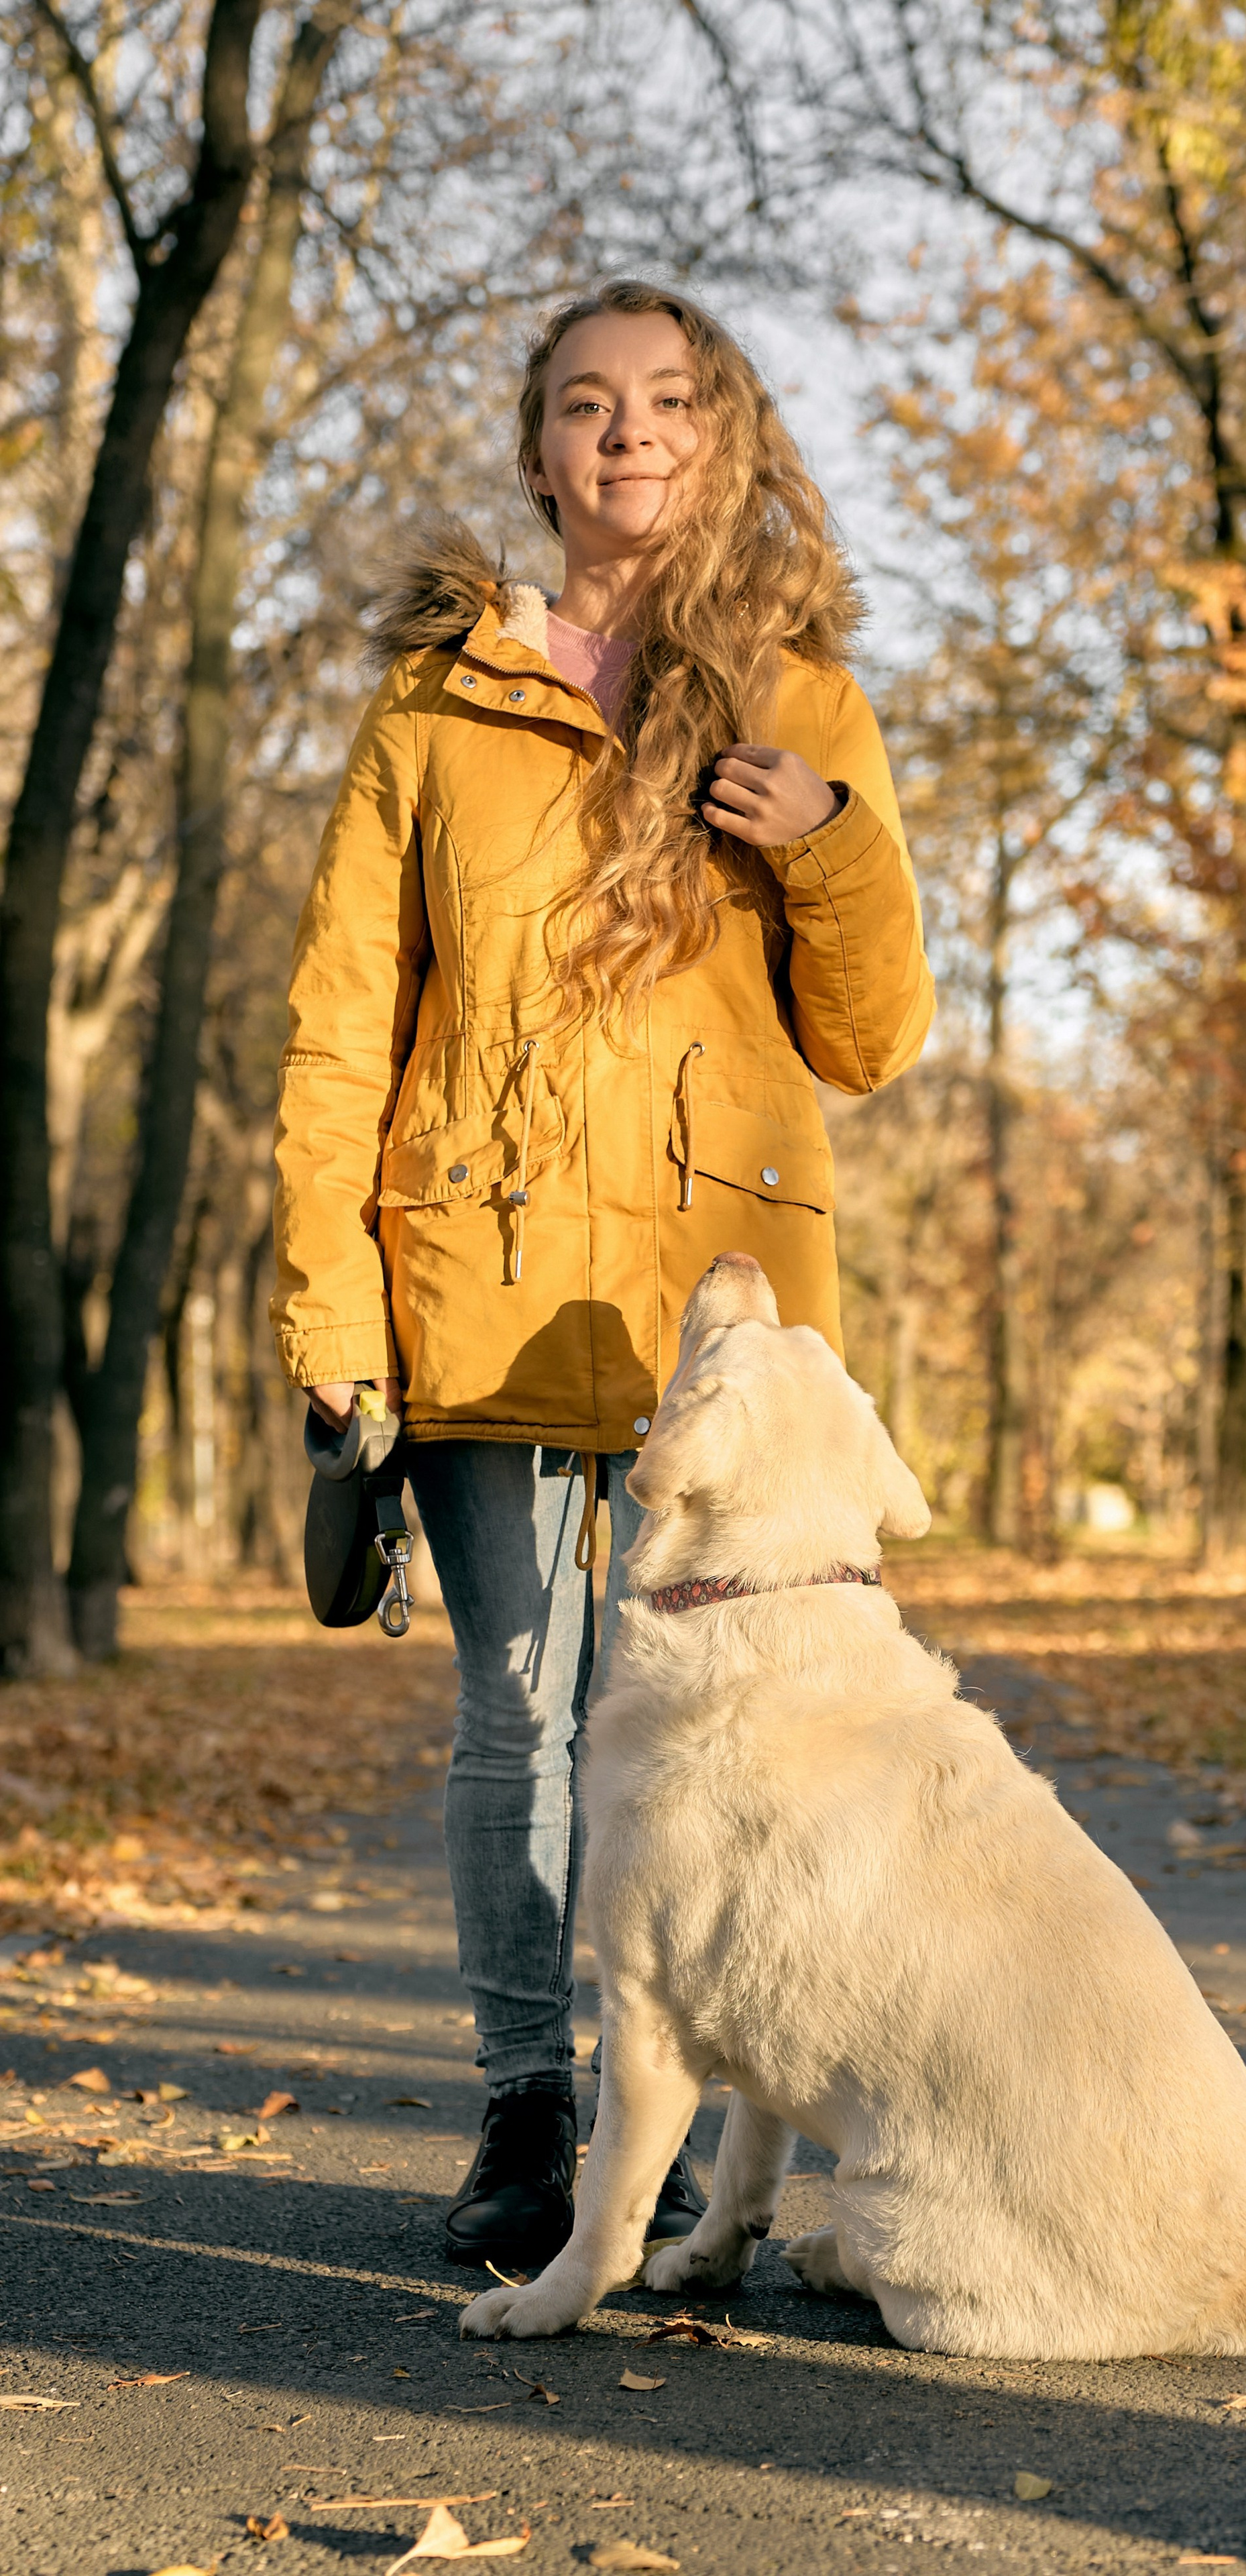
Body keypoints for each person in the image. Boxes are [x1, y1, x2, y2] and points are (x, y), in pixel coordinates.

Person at [270, 278, 935, 2271]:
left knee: (742, 1731)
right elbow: (341, 1024)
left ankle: (737, 2141)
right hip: (473, 1276)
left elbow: (874, 1038)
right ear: (539, 449)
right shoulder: (437, 705)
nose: (625, 431)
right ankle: (526, 2117)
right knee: (521, 1715)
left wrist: (829, 842)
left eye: (664, 400)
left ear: (720, 438)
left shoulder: (801, 702)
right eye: (584, 402)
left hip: (722, 1313)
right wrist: (330, 1307)